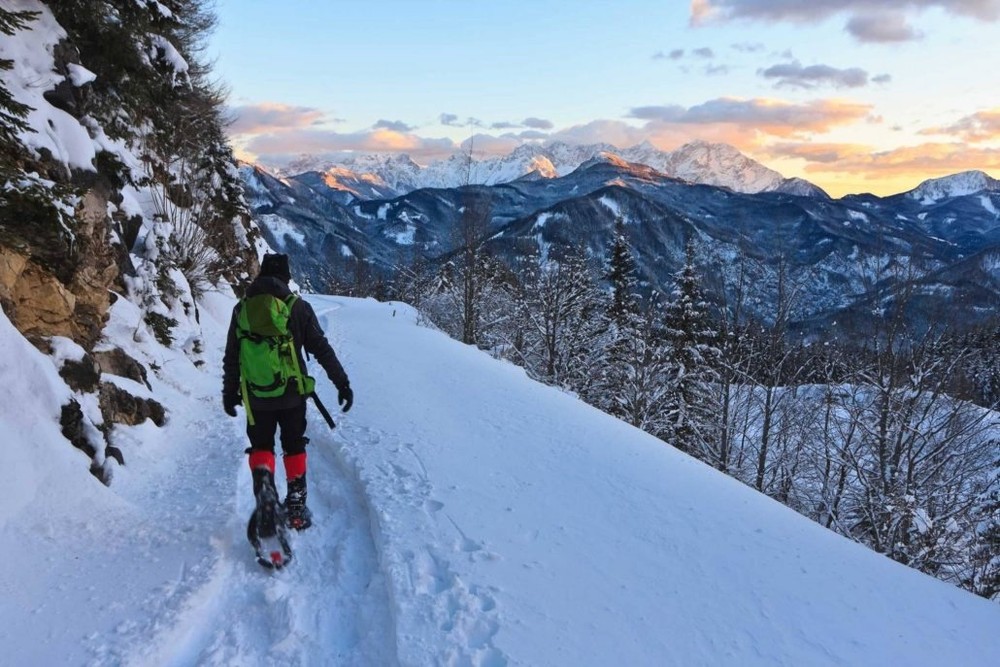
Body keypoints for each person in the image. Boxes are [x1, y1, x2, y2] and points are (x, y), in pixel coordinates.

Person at [222, 253, 353, 530]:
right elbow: (322, 349)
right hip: (293, 395)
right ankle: (295, 508)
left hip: (256, 396)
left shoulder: (241, 309)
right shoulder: (298, 307)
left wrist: (229, 391)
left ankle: (266, 496)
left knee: (261, 446)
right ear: (287, 278)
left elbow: (232, 356)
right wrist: (342, 383)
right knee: (293, 445)